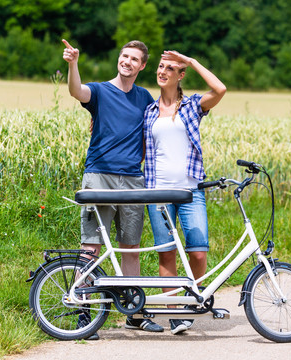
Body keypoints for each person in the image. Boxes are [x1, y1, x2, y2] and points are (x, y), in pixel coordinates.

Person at [62, 39, 164, 338]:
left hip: (133, 179)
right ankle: (84, 313)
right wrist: (73, 64)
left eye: (134, 59)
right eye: (124, 56)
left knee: (131, 247)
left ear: (142, 66)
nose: (127, 62)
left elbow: (156, 126)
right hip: (99, 177)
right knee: (91, 246)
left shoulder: (145, 97)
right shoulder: (100, 91)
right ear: (118, 59)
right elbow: (75, 91)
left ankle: (133, 311)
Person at [143, 50, 226, 334]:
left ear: (180, 76)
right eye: (160, 66)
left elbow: (220, 89)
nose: (162, 71)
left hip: (191, 192)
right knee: (166, 254)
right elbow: (139, 148)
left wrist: (190, 61)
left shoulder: (192, 106)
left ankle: (191, 300)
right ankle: (175, 312)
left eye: (170, 68)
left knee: (199, 251)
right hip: (158, 194)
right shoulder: (150, 112)